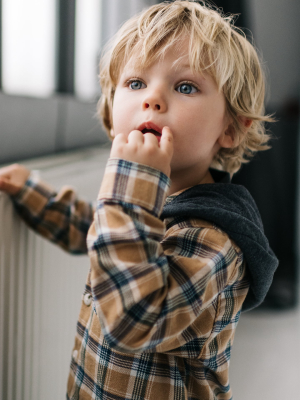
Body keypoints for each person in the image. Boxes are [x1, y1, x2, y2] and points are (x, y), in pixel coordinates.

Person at [0, 1, 278, 399]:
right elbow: (99, 234)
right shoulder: (144, 201)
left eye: (185, 87)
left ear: (231, 129)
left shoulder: (215, 238)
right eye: (135, 84)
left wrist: (130, 187)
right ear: (113, 114)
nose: (153, 99)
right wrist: (31, 191)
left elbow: (136, 320)